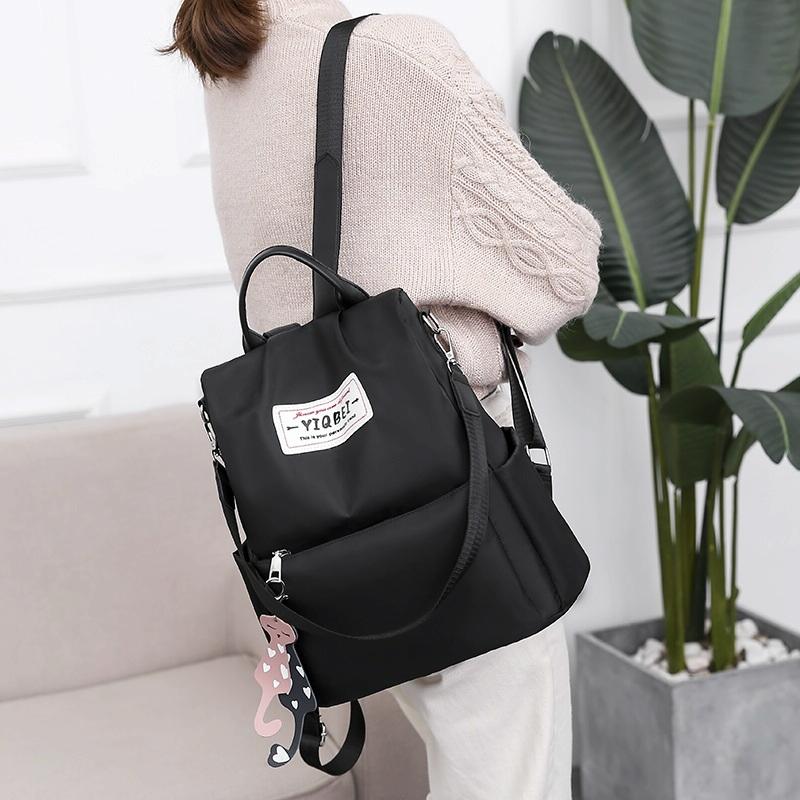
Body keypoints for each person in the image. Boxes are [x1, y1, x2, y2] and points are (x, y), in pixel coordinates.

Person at [164, 1, 601, 797]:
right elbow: (565, 265)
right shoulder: (397, 54)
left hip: (338, 525)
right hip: (452, 492)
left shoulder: (232, 64)